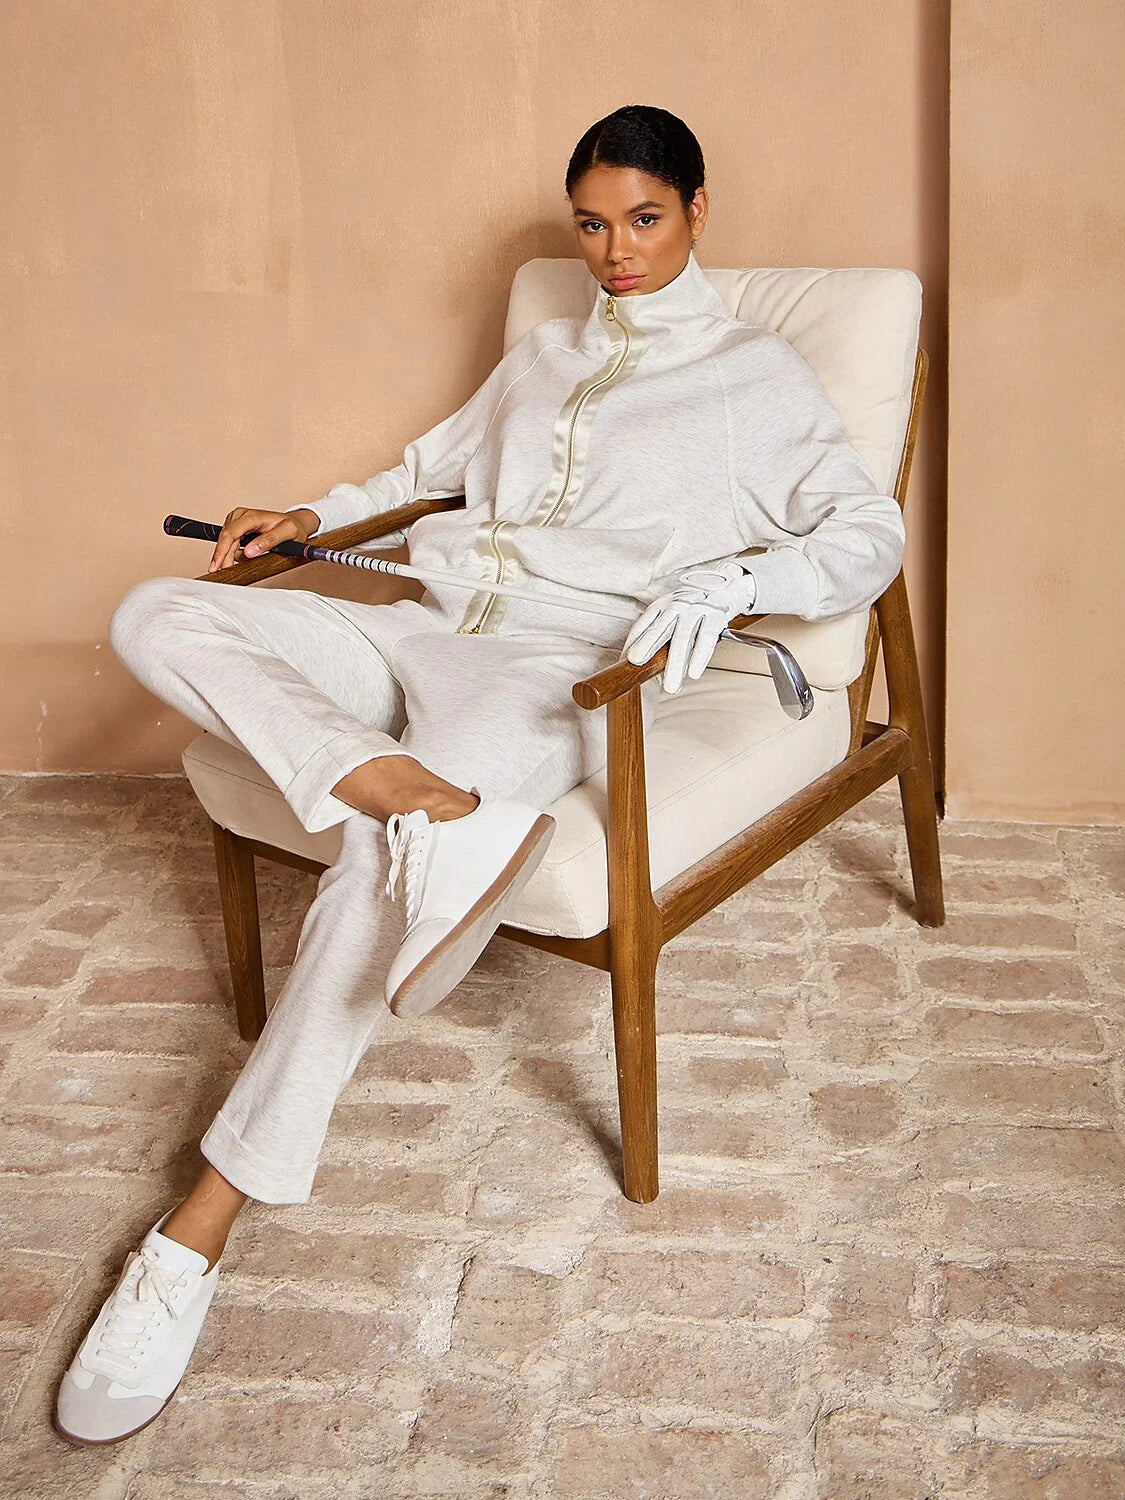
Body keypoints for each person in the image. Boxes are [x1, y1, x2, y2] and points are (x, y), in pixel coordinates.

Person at [54, 104, 905, 1445]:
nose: (615, 251)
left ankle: (196, 1230)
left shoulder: (754, 377)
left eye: (644, 219)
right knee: (157, 611)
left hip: (545, 676)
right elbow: (426, 470)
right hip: (418, 628)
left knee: (366, 875)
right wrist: (311, 518)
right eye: (592, 224)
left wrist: (744, 578)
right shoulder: (544, 354)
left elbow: (867, 531)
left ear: (696, 212)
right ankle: (399, 789)